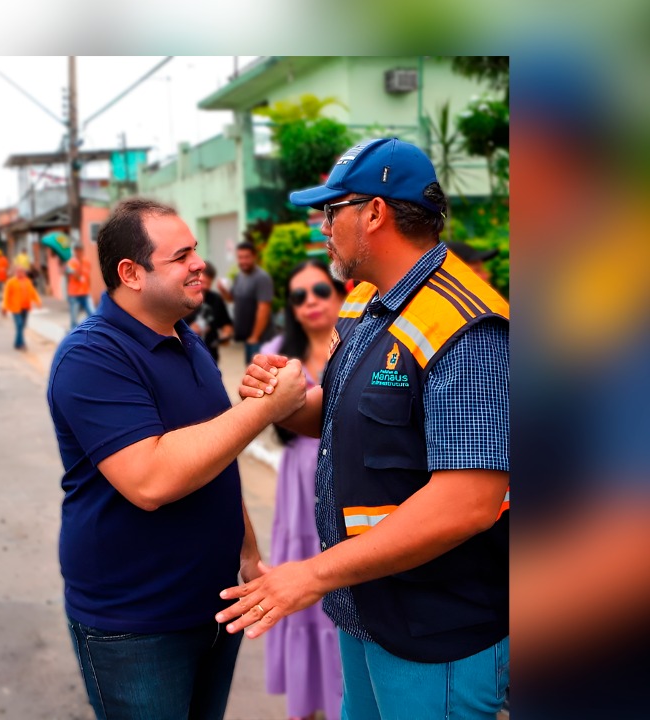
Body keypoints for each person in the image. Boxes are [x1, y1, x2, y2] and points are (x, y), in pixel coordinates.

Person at [218, 138, 510, 720]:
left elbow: (468, 503)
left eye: (332, 211)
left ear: (374, 213)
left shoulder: (467, 327)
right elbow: (338, 415)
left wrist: (312, 574)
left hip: (435, 630)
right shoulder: (363, 303)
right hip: (367, 610)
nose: (322, 227)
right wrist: (281, 401)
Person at [47, 197, 307, 719]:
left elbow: (215, 458)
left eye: (196, 251)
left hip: (213, 607)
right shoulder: (92, 356)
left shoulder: (187, 340)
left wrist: (247, 554)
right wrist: (265, 408)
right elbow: (151, 479)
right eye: (181, 256)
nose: (199, 264)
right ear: (131, 274)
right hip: (136, 626)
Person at [259, 259, 347, 720]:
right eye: (299, 296)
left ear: (340, 292)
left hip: (349, 479)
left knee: (345, 587)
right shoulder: (278, 354)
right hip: (298, 485)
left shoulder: (361, 342)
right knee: (300, 586)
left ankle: (345, 702)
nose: (310, 301)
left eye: (320, 290)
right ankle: (307, 704)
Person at [218, 241, 274, 365]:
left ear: (254, 257)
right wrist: (223, 291)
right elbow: (232, 299)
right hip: (248, 339)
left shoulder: (262, 278)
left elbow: (264, 309)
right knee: (250, 370)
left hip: (260, 340)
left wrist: (255, 336)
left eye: (247, 257)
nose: (243, 261)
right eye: (240, 257)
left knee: (261, 373)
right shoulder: (239, 276)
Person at [184, 261, 234, 365]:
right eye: (202, 282)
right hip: (185, 358)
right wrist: (189, 330)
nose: (205, 287)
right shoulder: (181, 299)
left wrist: (226, 334)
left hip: (210, 357)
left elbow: (226, 323)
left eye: (209, 284)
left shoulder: (215, 299)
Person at [1, 264, 41, 350]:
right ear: (15, 272)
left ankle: (17, 343)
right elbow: (6, 295)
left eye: (22, 271)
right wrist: (4, 307)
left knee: (22, 326)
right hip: (16, 308)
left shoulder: (28, 281)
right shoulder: (11, 282)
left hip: (25, 307)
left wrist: (38, 301)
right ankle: (22, 344)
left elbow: (33, 292)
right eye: (18, 271)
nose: (20, 273)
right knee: (19, 324)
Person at [65, 242, 96, 329]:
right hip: (74, 295)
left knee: (93, 314)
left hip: (85, 293)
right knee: (74, 319)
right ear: (75, 251)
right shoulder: (71, 263)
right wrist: (78, 266)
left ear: (82, 251)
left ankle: (87, 328)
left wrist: (89, 288)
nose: (79, 252)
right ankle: (74, 333)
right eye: (77, 251)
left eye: (80, 250)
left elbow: (88, 277)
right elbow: (75, 276)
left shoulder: (87, 262)